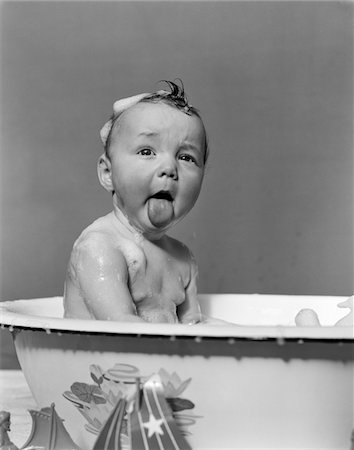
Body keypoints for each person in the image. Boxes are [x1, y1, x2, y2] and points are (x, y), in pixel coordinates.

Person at [64, 81, 217, 324]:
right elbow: (121, 328)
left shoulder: (182, 258)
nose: (169, 168)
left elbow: (195, 327)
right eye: (147, 151)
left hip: (158, 362)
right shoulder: (99, 248)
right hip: (99, 362)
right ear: (107, 173)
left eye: (186, 157)